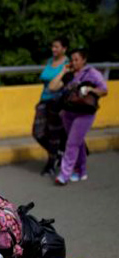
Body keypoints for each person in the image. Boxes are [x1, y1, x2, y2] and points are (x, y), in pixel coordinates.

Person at [49, 48, 109, 185]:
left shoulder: (92, 73)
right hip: (68, 112)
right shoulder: (69, 74)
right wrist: (63, 71)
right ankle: (81, 169)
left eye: (77, 59)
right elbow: (53, 87)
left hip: (85, 113)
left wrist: (90, 89)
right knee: (77, 142)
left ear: (84, 60)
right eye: (72, 60)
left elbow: (104, 90)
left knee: (71, 143)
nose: (74, 62)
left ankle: (64, 175)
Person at [32, 37, 69, 176]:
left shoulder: (67, 64)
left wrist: (64, 71)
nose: (53, 49)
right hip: (44, 101)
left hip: (56, 103)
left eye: (57, 47)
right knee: (38, 132)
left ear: (64, 49)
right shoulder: (50, 61)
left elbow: (56, 86)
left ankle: (50, 164)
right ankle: (57, 154)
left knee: (53, 134)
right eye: (52, 46)